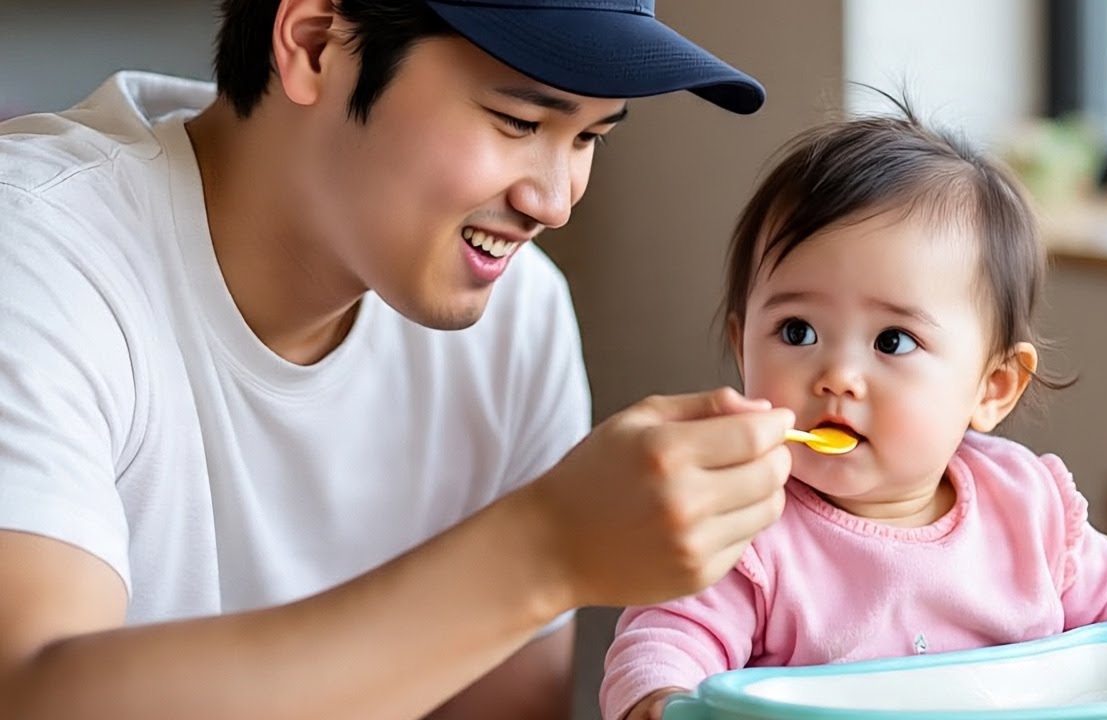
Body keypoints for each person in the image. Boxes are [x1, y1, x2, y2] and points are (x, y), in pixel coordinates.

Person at [0, 1, 798, 718]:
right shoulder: (36, 249)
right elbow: (27, 690)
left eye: (588, 137)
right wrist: (545, 551)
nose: (553, 202)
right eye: (519, 122)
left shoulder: (518, 318)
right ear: (315, 43)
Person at [600, 97, 1107, 720]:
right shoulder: (742, 526)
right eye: (796, 331)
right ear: (741, 347)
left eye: (892, 341)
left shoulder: (1027, 508)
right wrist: (660, 699)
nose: (838, 376)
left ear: (992, 388)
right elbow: (663, 638)